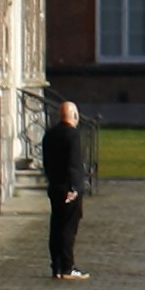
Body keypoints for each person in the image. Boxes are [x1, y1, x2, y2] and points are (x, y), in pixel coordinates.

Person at [39, 95, 95, 280]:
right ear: (73, 116)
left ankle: (56, 266)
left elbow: (47, 162)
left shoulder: (49, 134)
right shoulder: (72, 135)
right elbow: (73, 162)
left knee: (56, 227)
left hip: (55, 186)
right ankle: (67, 267)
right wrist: (73, 187)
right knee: (68, 229)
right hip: (69, 188)